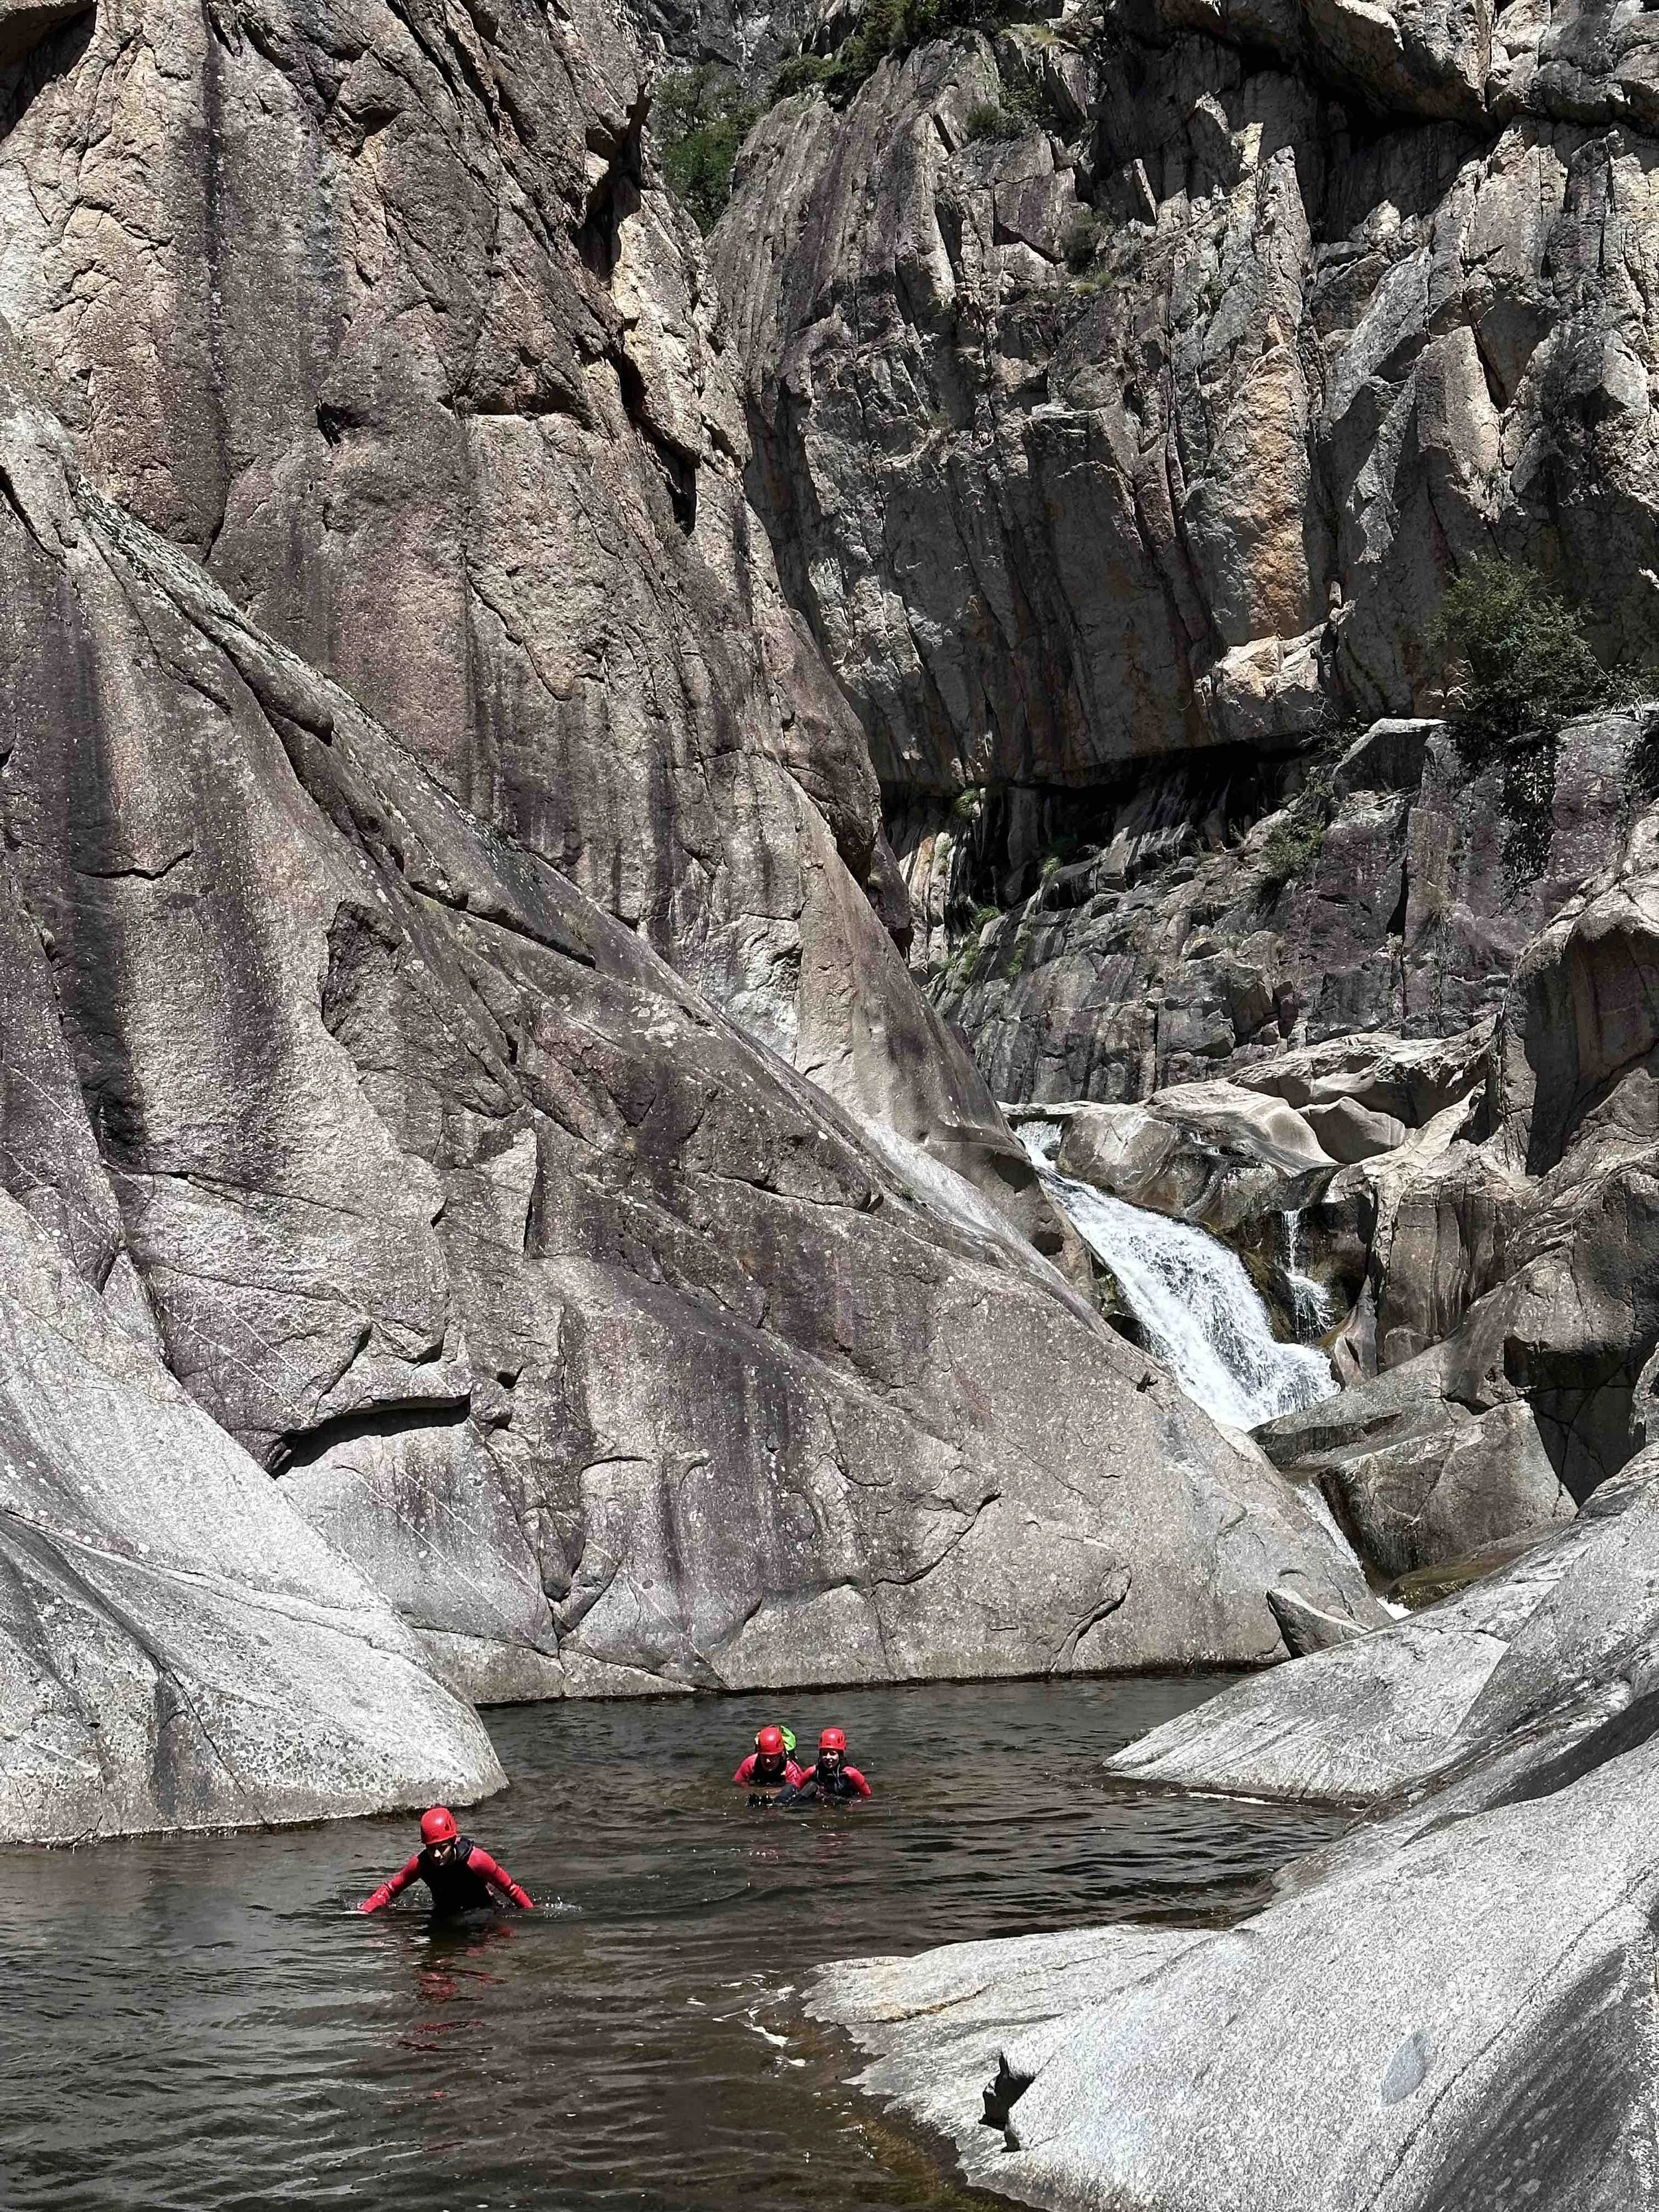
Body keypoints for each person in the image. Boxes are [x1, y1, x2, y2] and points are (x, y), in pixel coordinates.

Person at [359, 1806, 534, 1916]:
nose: (436, 1855)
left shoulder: (477, 1860)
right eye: (431, 1848)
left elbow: (510, 1888)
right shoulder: (420, 1864)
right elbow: (390, 1890)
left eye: (442, 1848)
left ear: (454, 1842)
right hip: (444, 1914)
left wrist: (531, 1914)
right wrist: (365, 1910)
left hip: (483, 1912)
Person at [775, 1726, 871, 1805]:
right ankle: (779, 1804)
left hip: (843, 1804)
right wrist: (781, 1797)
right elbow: (795, 1787)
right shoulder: (813, 1771)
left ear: (840, 1755)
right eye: (824, 1753)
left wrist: (855, 1804)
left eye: (833, 1754)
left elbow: (867, 1795)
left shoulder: (851, 1774)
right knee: (811, 1786)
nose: (828, 1757)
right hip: (820, 1804)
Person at [733, 1724, 806, 1791]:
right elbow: (738, 1783)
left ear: (781, 1754)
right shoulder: (750, 1763)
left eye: (772, 1757)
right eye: (764, 1756)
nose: (767, 1761)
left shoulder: (791, 1770)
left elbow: (796, 1792)